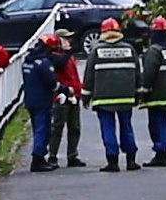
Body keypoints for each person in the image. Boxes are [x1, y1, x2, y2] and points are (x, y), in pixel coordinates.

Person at [81, 17, 140, 171]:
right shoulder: (129, 49)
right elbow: (137, 73)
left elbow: (89, 76)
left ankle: (112, 161)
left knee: (108, 128)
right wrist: (138, 93)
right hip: (126, 97)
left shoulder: (97, 51)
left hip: (103, 98)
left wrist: (86, 96)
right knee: (126, 127)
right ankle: (131, 160)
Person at [137, 15, 166, 166]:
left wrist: (142, 93)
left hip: (156, 95)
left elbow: (148, 74)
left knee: (157, 124)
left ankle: (160, 153)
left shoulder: (154, 51)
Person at [20, 34, 63, 172]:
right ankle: (38, 159)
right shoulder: (44, 63)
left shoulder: (28, 61)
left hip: (30, 100)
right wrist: (65, 89)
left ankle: (39, 158)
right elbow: (51, 83)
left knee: (37, 129)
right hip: (42, 101)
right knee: (42, 131)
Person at [47, 28, 86, 167]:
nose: (69, 41)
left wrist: (79, 91)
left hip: (73, 94)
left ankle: (72, 154)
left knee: (74, 127)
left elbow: (74, 75)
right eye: (66, 39)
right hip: (61, 96)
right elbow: (59, 65)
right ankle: (52, 155)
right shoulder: (54, 56)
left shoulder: (69, 56)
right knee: (57, 127)